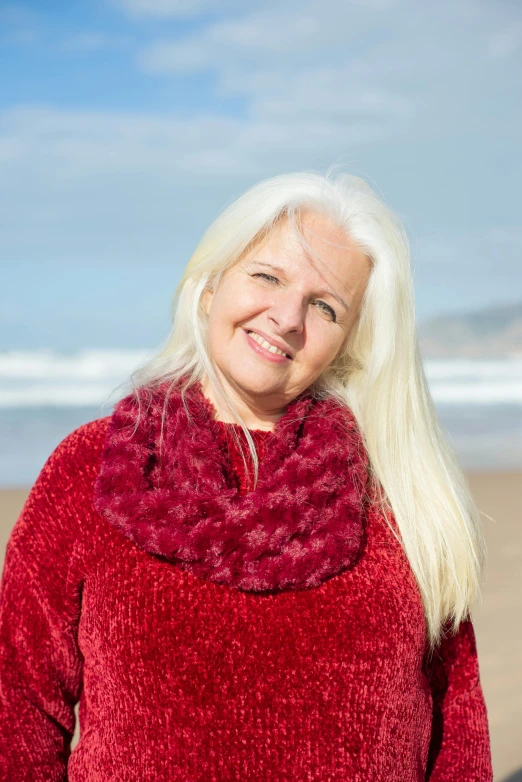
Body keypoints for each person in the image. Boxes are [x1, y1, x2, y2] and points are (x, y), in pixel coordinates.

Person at [0, 171, 493, 781]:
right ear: (210, 287)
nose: (288, 317)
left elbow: (457, 725)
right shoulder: (91, 466)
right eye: (268, 276)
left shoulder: (403, 492)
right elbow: (18, 703)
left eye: (325, 306)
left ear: (347, 343)